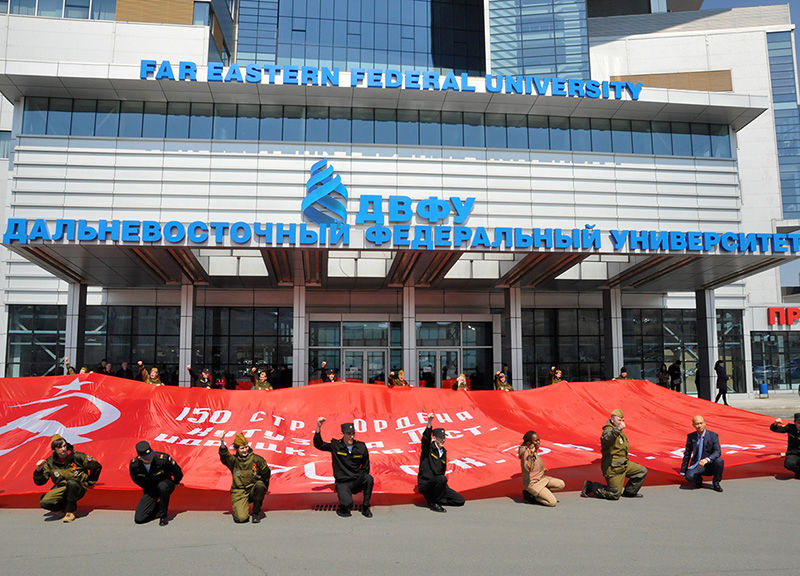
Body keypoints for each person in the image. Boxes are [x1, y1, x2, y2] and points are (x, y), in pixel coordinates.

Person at [33, 434, 102, 523]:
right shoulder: (50, 462)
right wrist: (38, 470)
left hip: (78, 486)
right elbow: (40, 482)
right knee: (45, 503)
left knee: (72, 483)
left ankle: (70, 511)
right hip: (62, 487)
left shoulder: (78, 457)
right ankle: (64, 508)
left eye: (64, 446)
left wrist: (89, 482)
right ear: (54, 449)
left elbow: (96, 466)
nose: (63, 449)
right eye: (59, 447)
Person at [581, 408, 647, 500]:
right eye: (619, 420)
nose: (621, 422)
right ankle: (591, 486)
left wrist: (618, 429)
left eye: (623, 420)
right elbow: (608, 439)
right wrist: (618, 429)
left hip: (623, 464)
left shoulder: (618, 431)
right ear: (612, 420)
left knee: (641, 471)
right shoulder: (609, 430)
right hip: (613, 467)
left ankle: (630, 492)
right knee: (614, 494)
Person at [313, 417, 373, 518]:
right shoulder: (335, 445)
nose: (351, 436)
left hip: (356, 479)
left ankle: (365, 507)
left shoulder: (361, 446)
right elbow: (319, 444)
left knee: (369, 478)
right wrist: (318, 427)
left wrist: (360, 477)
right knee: (346, 505)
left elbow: (366, 465)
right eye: (348, 434)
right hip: (343, 482)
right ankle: (343, 506)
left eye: (353, 434)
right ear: (342, 434)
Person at [219, 432, 271, 523]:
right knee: (241, 518)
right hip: (239, 491)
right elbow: (225, 455)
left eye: (246, 447)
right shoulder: (234, 461)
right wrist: (222, 442)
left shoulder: (257, 459)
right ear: (237, 449)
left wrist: (263, 489)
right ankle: (243, 504)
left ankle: (256, 512)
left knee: (260, 486)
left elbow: (266, 473)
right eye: (242, 448)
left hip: (253, 489)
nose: (245, 450)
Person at [418, 412, 465, 512]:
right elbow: (425, 439)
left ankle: (437, 500)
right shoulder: (428, 449)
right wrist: (429, 422)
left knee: (460, 500)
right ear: (434, 438)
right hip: (426, 484)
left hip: (438, 483)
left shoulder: (443, 452)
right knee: (442, 479)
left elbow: (442, 471)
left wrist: (444, 487)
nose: (443, 440)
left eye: (444, 437)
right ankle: (433, 502)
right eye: (441, 438)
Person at [129, 441, 183, 526]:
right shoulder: (134, 465)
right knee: (139, 519)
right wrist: (146, 487)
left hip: (165, 484)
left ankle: (163, 515)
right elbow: (136, 479)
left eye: (150, 455)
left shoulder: (163, 459)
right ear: (139, 457)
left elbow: (177, 471)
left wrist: (176, 482)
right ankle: (160, 506)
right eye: (146, 458)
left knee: (162, 487)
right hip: (150, 487)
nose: (150, 459)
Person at [519, 430, 565, 506]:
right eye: (536, 441)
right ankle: (532, 496)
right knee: (552, 502)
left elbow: (535, 464)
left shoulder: (532, 449)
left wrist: (541, 469)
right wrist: (531, 455)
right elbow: (527, 467)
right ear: (528, 443)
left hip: (541, 479)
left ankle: (541, 493)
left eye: (539, 440)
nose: (538, 442)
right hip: (533, 484)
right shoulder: (526, 454)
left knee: (561, 484)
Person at [680, 415, 724, 492]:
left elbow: (717, 451)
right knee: (689, 477)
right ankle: (698, 479)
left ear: (705, 423)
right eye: (697, 424)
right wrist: (683, 470)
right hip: (698, 464)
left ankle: (716, 483)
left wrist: (707, 459)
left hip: (710, 464)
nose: (699, 426)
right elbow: (687, 453)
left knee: (719, 461)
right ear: (693, 425)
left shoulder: (713, 435)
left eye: (701, 423)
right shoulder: (691, 437)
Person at [770, 413, 800, 478]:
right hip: (794, 454)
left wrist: (786, 453)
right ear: (795, 422)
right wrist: (775, 423)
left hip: (794, 452)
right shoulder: (790, 427)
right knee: (788, 464)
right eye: (799, 423)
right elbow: (775, 429)